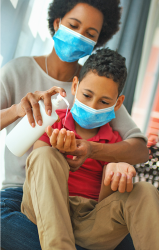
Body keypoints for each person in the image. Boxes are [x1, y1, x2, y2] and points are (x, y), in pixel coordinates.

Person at [0, 0, 147, 249]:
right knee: (7, 226)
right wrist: (17, 109)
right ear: (57, 22)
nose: (79, 36)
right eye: (74, 25)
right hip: (20, 195)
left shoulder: (95, 89)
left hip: (84, 205)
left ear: (97, 42)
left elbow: (139, 149)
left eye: (90, 34)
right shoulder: (17, 71)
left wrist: (91, 149)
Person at [22, 48, 159, 249]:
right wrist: (57, 149)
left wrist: (114, 176)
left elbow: (106, 204)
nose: (93, 106)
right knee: (44, 155)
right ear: (75, 86)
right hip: (46, 207)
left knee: (146, 191)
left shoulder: (115, 142)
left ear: (118, 103)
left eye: (104, 102)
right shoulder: (53, 121)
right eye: (87, 95)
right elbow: (36, 168)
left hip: (90, 221)